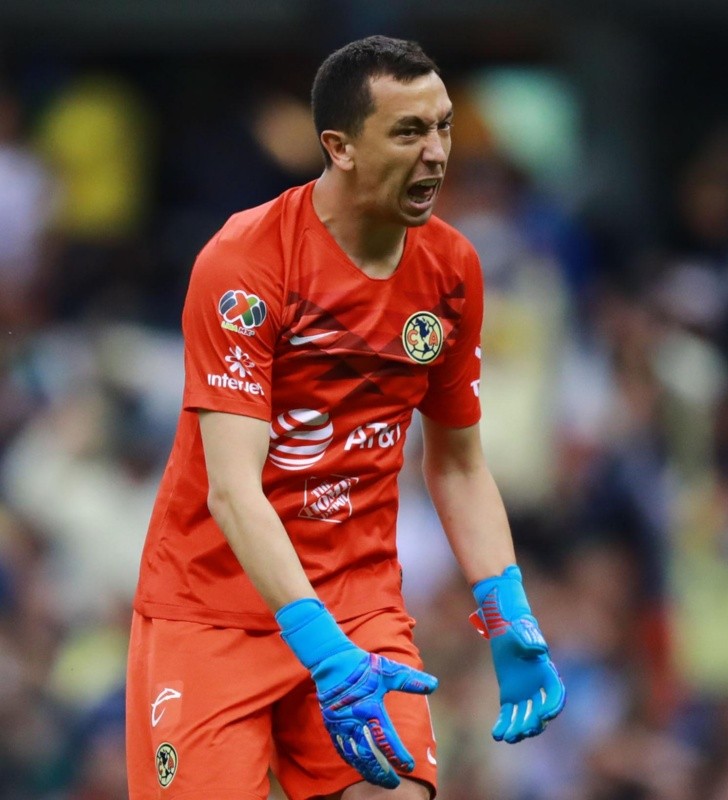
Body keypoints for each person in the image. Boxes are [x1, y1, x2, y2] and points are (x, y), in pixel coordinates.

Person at [126, 35, 565, 800]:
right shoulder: (246, 263)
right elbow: (233, 490)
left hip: (358, 602)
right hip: (212, 614)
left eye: (443, 127)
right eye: (408, 132)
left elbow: (457, 462)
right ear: (340, 147)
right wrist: (322, 655)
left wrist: (507, 608)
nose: (436, 153)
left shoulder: (453, 268)